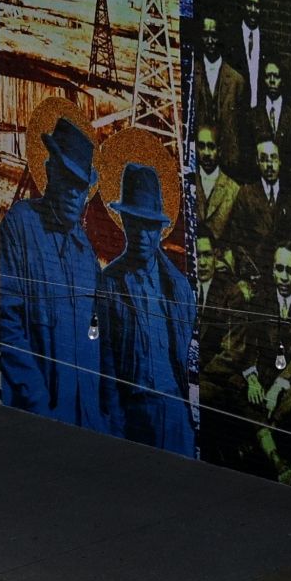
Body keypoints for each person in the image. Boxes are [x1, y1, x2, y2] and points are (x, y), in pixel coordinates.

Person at [0, 116, 104, 430]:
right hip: (37, 413)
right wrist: (37, 401)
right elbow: (7, 321)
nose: (72, 193)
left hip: (84, 418)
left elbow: (96, 340)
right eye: (67, 179)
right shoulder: (21, 224)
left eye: (80, 186)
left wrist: (101, 416)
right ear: (50, 171)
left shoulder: (86, 255)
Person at [96, 161, 199, 456]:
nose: (142, 235)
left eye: (149, 226)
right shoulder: (110, 282)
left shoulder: (178, 287)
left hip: (175, 412)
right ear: (124, 222)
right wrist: (115, 427)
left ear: (160, 229)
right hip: (134, 414)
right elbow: (106, 363)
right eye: (135, 223)